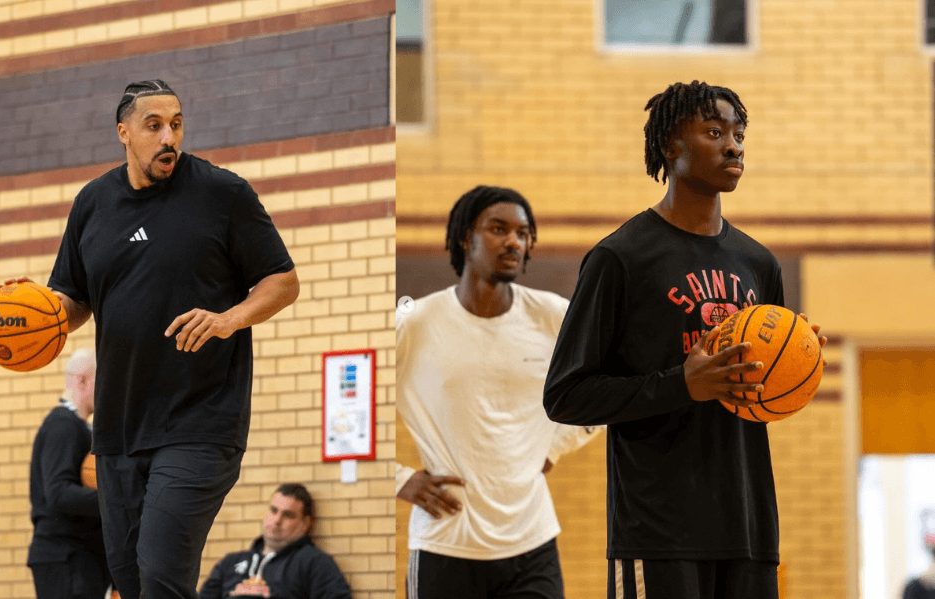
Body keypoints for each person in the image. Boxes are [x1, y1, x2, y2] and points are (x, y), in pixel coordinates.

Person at [2, 79, 300, 599]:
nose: (170, 138)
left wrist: (229, 318)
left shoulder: (222, 193)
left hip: (199, 422)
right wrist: (35, 310)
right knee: (130, 581)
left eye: (177, 124)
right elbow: (71, 302)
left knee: (162, 573)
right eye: (154, 125)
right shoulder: (93, 204)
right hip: (118, 431)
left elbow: (282, 281)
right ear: (124, 133)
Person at [542, 81, 827, 599]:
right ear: (671, 146)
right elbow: (565, 394)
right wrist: (681, 384)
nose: (734, 145)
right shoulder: (620, 258)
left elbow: (757, 396)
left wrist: (796, 365)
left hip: (748, 525)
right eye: (714, 132)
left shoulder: (759, 263)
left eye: (739, 134)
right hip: (657, 530)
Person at [396, 185, 603, 599]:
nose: (513, 241)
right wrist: (397, 478)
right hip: (446, 543)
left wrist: (553, 447)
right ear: (464, 238)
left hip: (532, 543)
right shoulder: (414, 322)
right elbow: (346, 405)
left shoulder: (553, 316)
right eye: (498, 229)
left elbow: (603, 393)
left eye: (523, 234)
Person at [28, 348, 111, 599]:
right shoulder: (63, 426)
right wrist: (115, 501)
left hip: (78, 555)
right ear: (85, 380)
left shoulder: (80, 428)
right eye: (103, 379)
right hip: (65, 556)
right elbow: (59, 493)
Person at [198, 483, 351, 599]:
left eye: (288, 515)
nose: (277, 520)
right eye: (273, 510)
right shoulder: (230, 563)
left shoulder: (314, 563)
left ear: (305, 523)